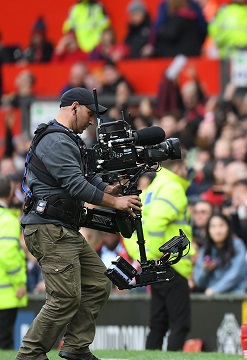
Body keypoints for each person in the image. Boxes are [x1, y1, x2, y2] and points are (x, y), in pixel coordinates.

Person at [17, 87, 142, 360]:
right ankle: (30, 355)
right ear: (74, 107)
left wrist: (110, 190)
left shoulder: (69, 140)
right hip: (48, 227)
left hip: (63, 228)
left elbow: (84, 177)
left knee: (98, 282)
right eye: (89, 114)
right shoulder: (56, 140)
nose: (91, 121)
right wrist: (115, 203)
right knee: (64, 297)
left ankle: (75, 347)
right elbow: (74, 184)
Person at [125, 157, 193, 351]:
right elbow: (156, 223)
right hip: (173, 264)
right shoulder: (173, 188)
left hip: (157, 265)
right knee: (180, 323)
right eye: (186, 168)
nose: (187, 172)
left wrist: (144, 257)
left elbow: (133, 227)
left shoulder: (152, 189)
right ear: (179, 168)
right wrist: (156, 256)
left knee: (159, 323)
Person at [192, 213, 247, 294]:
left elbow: (236, 273)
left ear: (228, 228)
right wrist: (204, 270)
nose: (218, 231)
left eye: (221, 225)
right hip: (213, 300)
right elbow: (198, 282)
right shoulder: (205, 250)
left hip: (236, 296)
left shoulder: (237, 245)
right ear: (208, 230)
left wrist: (215, 290)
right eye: (213, 227)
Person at [0, 175, 27, 350]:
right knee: (5, 343)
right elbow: (8, 254)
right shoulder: (7, 220)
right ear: (10, 192)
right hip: (6, 294)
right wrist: (18, 283)